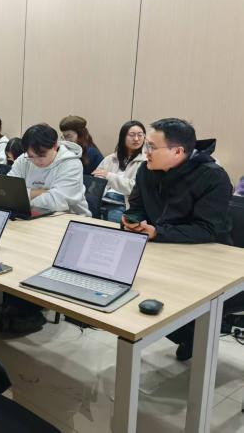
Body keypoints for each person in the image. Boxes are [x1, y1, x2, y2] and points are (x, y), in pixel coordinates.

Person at [123, 118, 235, 360]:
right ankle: (188, 334)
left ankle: (195, 335)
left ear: (177, 151)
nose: (145, 152)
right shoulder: (146, 170)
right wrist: (133, 220)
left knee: (166, 305)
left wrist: (157, 233)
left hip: (205, 258)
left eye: (152, 147)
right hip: (161, 249)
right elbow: (137, 206)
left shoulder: (212, 177)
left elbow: (207, 229)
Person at [8, 123, 91, 216]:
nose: (36, 161)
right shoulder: (24, 159)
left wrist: (22, 199)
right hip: (30, 215)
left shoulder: (71, 164)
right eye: (31, 156)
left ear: (55, 146)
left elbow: (56, 201)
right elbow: (8, 190)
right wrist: (41, 192)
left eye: (41, 156)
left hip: (70, 217)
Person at [92, 120, 146, 223]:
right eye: (132, 135)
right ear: (123, 137)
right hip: (102, 199)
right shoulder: (110, 158)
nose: (136, 139)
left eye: (140, 135)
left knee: (112, 219)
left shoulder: (146, 161)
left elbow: (135, 188)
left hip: (124, 203)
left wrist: (109, 176)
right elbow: (97, 180)